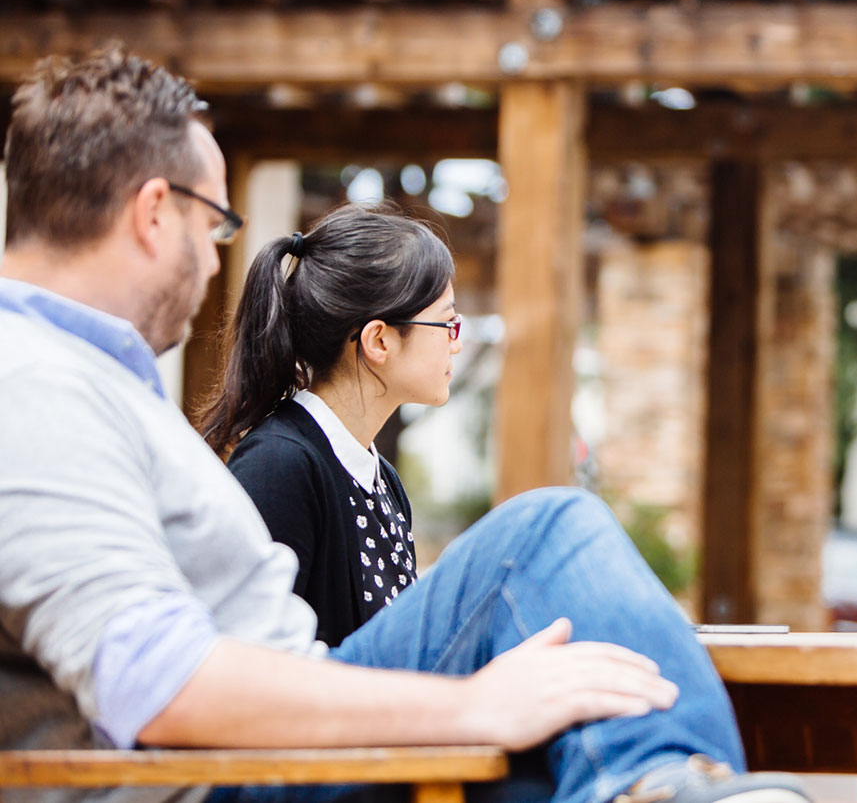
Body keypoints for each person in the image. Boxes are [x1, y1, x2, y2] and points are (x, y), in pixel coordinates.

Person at [0, 48, 811, 803]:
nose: (217, 261)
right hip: (239, 773)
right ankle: (664, 784)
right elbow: (157, 678)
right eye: (214, 224)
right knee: (543, 532)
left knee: (567, 708)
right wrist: (469, 707)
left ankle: (661, 781)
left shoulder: (81, 381)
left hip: (275, 747)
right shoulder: (34, 385)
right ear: (152, 213)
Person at [201, 205, 461, 646]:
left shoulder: (382, 481)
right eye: (448, 322)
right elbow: (247, 659)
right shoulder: (278, 466)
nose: (457, 343)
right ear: (379, 340)